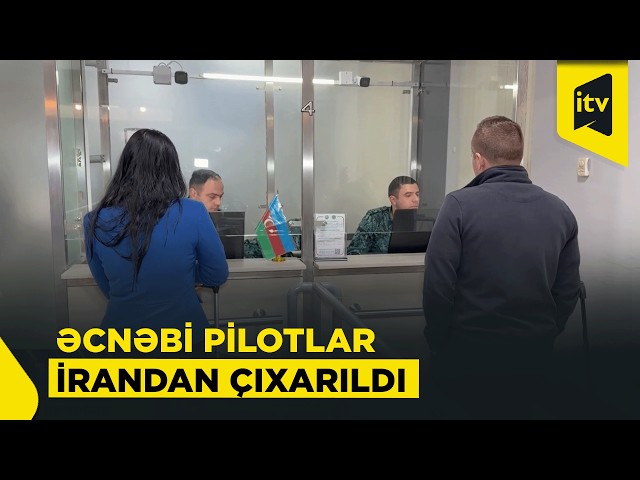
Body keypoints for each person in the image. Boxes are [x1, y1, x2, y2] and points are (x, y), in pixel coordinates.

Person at [422, 115, 581, 419]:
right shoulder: (560, 209)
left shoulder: (458, 205)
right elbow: (568, 287)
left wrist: (438, 339)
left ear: (478, 160)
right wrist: (548, 331)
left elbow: (438, 284)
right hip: (534, 353)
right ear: (518, 156)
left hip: (468, 351)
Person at [83, 129, 229, 355]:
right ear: (171, 170)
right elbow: (216, 274)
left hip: (121, 342)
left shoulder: (94, 220)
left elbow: (107, 286)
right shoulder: (194, 212)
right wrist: (182, 273)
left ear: (125, 167)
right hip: (185, 339)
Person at [346, 175, 419, 255]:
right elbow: (353, 252)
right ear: (393, 200)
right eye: (408, 195)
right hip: (381, 263)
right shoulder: (375, 218)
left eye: (417, 194)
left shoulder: (423, 220)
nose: (416, 199)